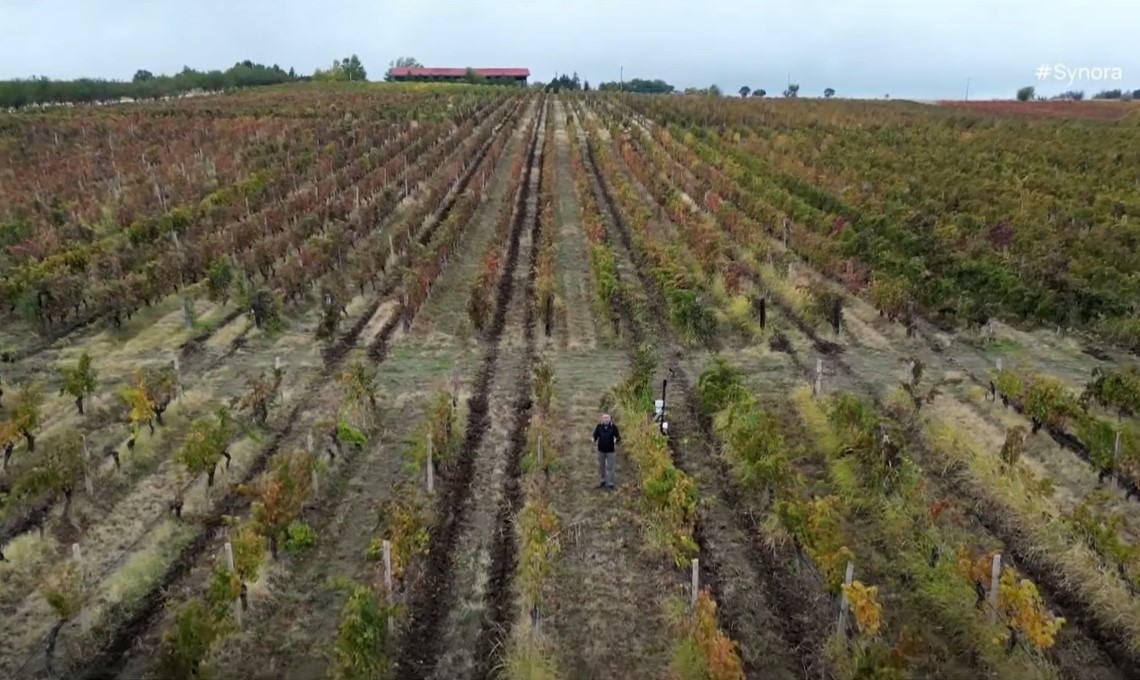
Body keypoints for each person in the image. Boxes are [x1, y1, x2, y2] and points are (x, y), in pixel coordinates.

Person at [592, 414, 621, 490]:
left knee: (610, 467)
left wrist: (616, 440)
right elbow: (595, 436)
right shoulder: (599, 427)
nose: (606, 419)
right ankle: (603, 480)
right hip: (601, 450)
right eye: (604, 418)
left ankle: (610, 483)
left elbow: (618, 437)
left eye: (607, 418)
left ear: (610, 419)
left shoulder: (613, 427)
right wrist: (593, 439)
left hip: (610, 450)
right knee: (602, 466)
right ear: (602, 419)